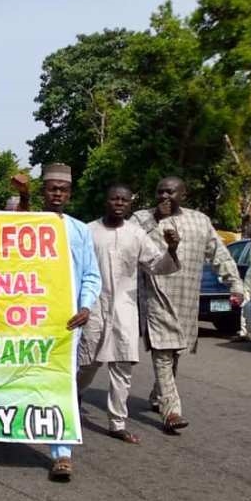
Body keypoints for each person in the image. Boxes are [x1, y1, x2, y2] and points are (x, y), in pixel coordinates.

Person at [131, 177, 242, 433]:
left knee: (175, 350)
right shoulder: (141, 219)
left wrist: (234, 283)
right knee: (163, 349)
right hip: (154, 295)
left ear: (184, 194)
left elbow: (219, 254)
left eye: (171, 192)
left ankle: (158, 395)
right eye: (160, 192)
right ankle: (172, 412)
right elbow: (126, 244)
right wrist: (156, 220)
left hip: (186, 298)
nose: (164, 197)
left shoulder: (199, 221)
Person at [77, 186, 180, 444]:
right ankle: (73, 396)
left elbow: (157, 265)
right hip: (94, 305)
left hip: (125, 307)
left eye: (124, 199)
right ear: (106, 201)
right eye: (114, 198)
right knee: (88, 362)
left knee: (123, 364)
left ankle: (117, 423)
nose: (119, 203)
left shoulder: (136, 234)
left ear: (130, 204)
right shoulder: (88, 231)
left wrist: (172, 249)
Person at [35, 164, 101, 481]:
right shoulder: (25, 225)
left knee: (61, 384)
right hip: (26, 321)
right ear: (42, 191)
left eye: (63, 188)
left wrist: (85, 306)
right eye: (52, 188)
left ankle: (61, 453)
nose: (57, 193)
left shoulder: (79, 230)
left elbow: (91, 274)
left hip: (65, 323)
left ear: (69, 193)